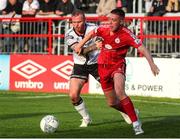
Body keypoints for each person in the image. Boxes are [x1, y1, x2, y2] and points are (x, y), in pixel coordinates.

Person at [75, 8, 160, 135]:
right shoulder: (103, 29)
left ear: (121, 21)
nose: (110, 23)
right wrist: (80, 44)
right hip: (103, 67)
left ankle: (136, 124)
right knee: (112, 103)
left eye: (114, 20)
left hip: (117, 65)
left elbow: (142, 48)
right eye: (109, 19)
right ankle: (131, 111)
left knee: (120, 91)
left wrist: (151, 63)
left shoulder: (127, 34)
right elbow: (92, 33)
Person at [65, 10, 100, 127]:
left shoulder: (94, 28)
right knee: (73, 95)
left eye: (79, 22)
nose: (76, 25)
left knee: (113, 95)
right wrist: (95, 46)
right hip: (80, 65)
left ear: (85, 20)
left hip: (97, 63)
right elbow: (79, 51)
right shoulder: (69, 34)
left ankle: (129, 113)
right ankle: (86, 118)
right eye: (73, 22)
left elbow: (104, 41)